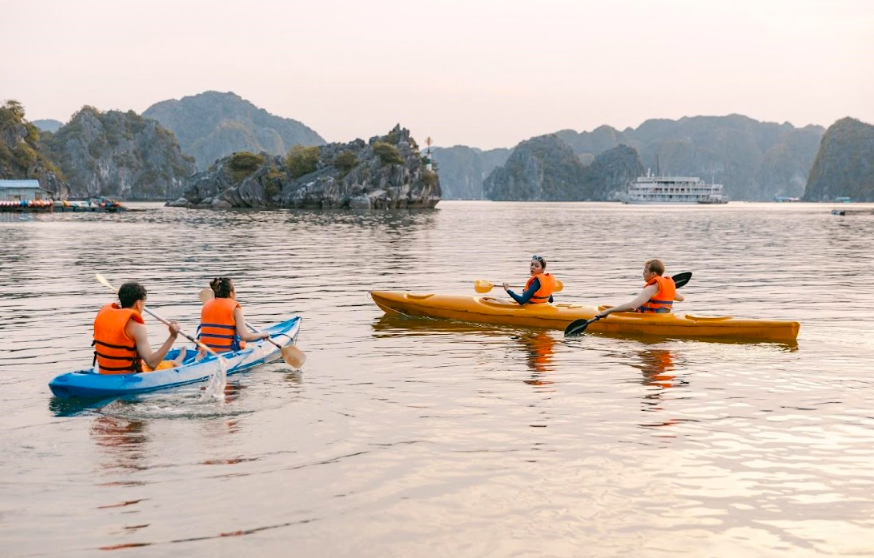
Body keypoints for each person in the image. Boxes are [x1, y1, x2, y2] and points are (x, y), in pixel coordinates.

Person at [92, 282, 184, 374]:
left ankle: (178, 358)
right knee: (171, 364)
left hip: (104, 372)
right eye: (144, 302)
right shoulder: (137, 327)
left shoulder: (104, 318)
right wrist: (172, 336)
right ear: (139, 303)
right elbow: (152, 363)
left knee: (143, 361)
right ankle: (176, 361)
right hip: (128, 378)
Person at [199, 277, 269, 353]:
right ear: (231, 293)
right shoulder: (235, 308)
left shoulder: (207, 305)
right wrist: (262, 335)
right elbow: (245, 336)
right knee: (246, 344)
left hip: (204, 352)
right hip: (226, 353)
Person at [596, 259, 685, 318]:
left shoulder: (651, 288)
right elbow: (681, 298)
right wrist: (669, 287)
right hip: (663, 318)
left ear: (653, 274)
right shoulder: (666, 287)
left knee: (612, 309)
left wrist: (609, 311)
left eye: (645, 271)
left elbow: (632, 306)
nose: (643, 274)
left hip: (649, 319)